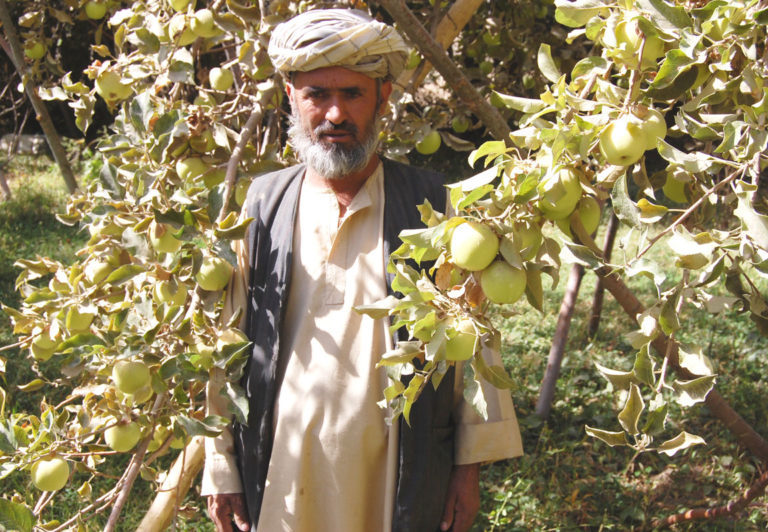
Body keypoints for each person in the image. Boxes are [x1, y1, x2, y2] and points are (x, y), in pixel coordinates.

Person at [201, 9, 523, 532]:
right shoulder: (260, 204)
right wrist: (220, 465)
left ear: (383, 96)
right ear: (291, 96)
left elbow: (474, 346)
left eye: (351, 94)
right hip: (282, 469)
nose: (334, 114)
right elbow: (223, 344)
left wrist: (468, 470)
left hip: (396, 469)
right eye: (317, 95)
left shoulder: (435, 206)